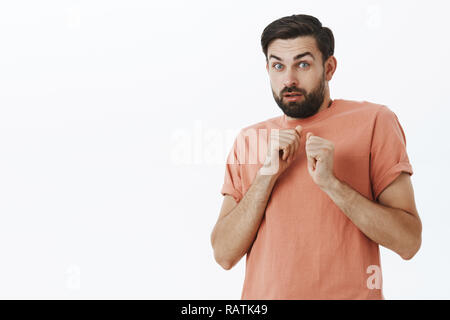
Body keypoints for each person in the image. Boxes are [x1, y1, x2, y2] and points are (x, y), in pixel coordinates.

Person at [210, 14, 422, 300]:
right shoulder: (249, 140)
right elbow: (223, 254)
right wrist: (265, 177)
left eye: (303, 64)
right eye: (278, 66)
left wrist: (332, 184)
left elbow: (408, 242)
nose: (289, 79)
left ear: (330, 67)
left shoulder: (375, 122)